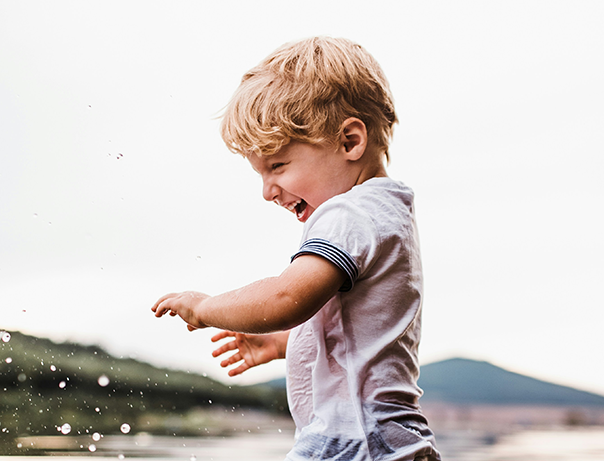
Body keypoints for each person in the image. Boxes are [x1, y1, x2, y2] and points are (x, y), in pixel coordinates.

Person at [151, 36, 439, 461]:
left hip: (353, 440)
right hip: (388, 438)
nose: (268, 191)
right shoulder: (385, 212)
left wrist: (204, 307)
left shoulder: (349, 213)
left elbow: (288, 296)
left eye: (278, 166)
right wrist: (286, 343)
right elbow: (359, 332)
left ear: (349, 142)